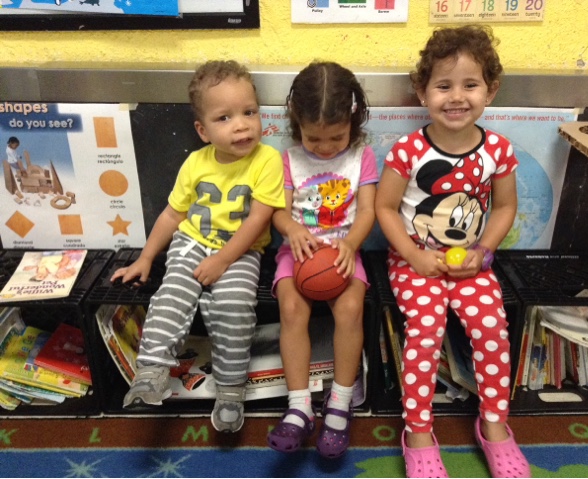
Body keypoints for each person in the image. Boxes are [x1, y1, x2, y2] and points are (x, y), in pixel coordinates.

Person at [374, 26, 530, 478]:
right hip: (414, 261)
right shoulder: (408, 150)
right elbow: (385, 208)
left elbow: (505, 207)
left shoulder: (498, 150)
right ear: (422, 92)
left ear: (490, 90)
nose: (457, 97)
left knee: (491, 327)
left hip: (472, 263)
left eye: (470, 85)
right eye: (443, 86)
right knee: (425, 331)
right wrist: (415, 257)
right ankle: (418, 433)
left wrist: (483, 250)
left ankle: (494, 425)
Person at [110, 60, 285, 433]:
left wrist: (222, 260)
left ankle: (231, 390)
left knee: (234, 306)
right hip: (192, 241)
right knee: (173, 290)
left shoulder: (268, 160)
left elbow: (259, 219)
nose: (241, 125)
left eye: (249, 112)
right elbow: (173, 215)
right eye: (224, 118)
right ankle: (152, 370)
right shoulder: (195, 163)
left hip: (242, 251)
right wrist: (145, 257)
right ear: (203, 131)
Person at [266, 61, 378, 458]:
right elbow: (278, 212)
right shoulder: (287, 159)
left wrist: (350, 244)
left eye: (337, 137)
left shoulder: (362, 156)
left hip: (345, 250)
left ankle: (340, 402)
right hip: (298, 253)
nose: (326, 147)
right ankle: (299, 407)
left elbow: (368, 211)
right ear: (296, 122)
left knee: (350, 310)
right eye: (314, 138)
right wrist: (291, 229)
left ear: (353, 121)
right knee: (291, 309)